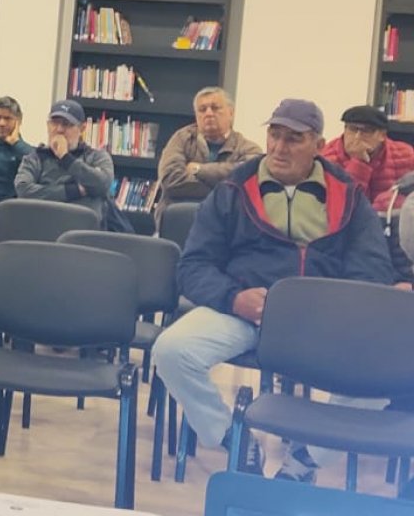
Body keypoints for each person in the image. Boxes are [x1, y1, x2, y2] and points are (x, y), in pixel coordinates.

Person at [153, 99, 397, 482]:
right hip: (245, 312)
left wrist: (337, 307)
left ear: (318, 145)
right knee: (171, 350)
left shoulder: (348, 195)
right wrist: (234, 298)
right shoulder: (233, 189)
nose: (280, 148)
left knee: (390, 370)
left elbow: (373, 270)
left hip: (322, 320)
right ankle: (234, 440)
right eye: (274, 135)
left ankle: (306, 459)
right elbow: (193, 266)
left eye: (294, 139)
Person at [157, 86, 262, 220]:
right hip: (180, 219)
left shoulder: (248, 148)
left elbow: (250, 178)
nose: (209, 113)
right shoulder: (182, 139)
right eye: (202, 109)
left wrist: (198, 170)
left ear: (231, 113)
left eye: (215, 108)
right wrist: (226, 189)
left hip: (226, 222)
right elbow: (170, 180)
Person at [14, 99, 115, 220]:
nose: (59, 129)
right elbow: (23, 190)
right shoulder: (35, 158)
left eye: (67, 124)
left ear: (82, 128)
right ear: (48, 125)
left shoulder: (97, 157)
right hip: (42, 225)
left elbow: (103, 184)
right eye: (54, 123)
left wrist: (66, 158)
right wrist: (74, 191)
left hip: (81, 226)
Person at [321, 105, 414, 211]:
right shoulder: (327, 158)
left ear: (382, 135)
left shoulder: (404, 155)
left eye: (366, 131)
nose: (357, 136)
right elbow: (341, 208)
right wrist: (359, 163)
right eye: (352, 129)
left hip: (391, 217)